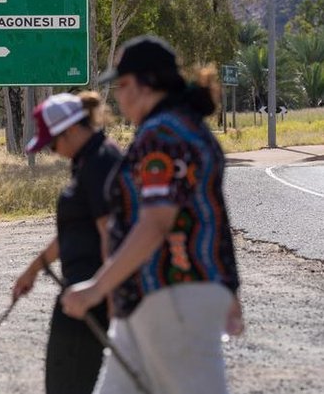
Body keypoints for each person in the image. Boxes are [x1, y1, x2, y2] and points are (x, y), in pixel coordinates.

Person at [60, 35, 243, 394]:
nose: (119, 95)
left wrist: (98, 288)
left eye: (124, 84)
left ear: (149, 83)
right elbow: (212, 214)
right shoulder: (182, 127)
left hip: (174, 295)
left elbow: (157, 223)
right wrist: (228, 288)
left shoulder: (162, 135)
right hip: (152, 297)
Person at [12, 92, 121, 394]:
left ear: (71, 129)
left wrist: (111, 302)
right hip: (82, 294)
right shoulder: (87, 160)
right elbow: (75, 231)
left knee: (68, 386)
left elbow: (110, 234)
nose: (53, 151)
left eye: (53, 143)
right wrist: (32, 270)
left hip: (89, 299)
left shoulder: (100, 162)